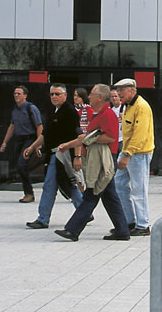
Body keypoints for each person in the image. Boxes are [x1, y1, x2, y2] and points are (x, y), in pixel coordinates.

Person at [54, 84, 129, 242]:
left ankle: (72, 230)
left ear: (100, 97)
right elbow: (87, 138)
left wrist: (90, 140)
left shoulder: (106, 114)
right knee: (108, 196)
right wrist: (68, 145)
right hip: (102, 160)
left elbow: (110, 137)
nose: (89, 97)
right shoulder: (99, 114)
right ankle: (122, 230)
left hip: (104, 161)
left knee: (91, 195)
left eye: (92, 94)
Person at [25, 85, 85, 230]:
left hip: (63, 155)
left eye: (57, 94)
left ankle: (43, 218)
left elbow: (79, 136)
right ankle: (84, 211)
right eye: (52, 94)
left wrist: (77, 156)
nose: (54, 97)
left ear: (65, 95)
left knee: (49, 185)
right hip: (54, 154)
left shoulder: (70, 112)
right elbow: (45, 134)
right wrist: (33, 147)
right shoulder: (53, 111)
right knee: (67, 185)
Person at [114, 78, 155, 236]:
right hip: (129, 152)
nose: (118, 94)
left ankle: (143, 225)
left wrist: (127, 154)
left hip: (139, 154)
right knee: (119, 185)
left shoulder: (141, 107)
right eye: (117, 90)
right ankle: (129, 221)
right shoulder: (128, 106)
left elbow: (140, 133)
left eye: (121, 90)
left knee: (139, 189)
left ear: (132, 90)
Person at [0, 85, 44, 203]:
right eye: (15, 93)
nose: (16, 96)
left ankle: (29, 194)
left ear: (25, 95)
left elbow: (39, 126)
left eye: (19, 93)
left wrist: (38, 144)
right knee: (20, 167)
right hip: (19, 140)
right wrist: (4, 142)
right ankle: (27, 192)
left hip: (30, 139)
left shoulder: (31, 108)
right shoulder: (15, 109)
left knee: (21, 165)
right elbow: (12, 126)